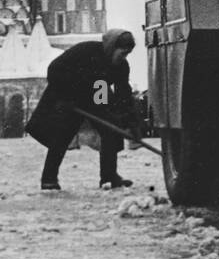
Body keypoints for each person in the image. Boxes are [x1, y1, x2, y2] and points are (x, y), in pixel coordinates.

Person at [25, 28, 141, 191]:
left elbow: (123, 93)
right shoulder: (85, 51)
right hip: (70, 96)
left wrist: (131, 122)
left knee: (110, 130)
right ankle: (49, 179)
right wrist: (66, 97)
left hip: (98, 95)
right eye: (122, 53)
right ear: (112, 47)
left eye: (126, 54)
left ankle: (109, 176)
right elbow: (54, 70)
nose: (123, 58)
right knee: (62, 135)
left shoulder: (121, 66)